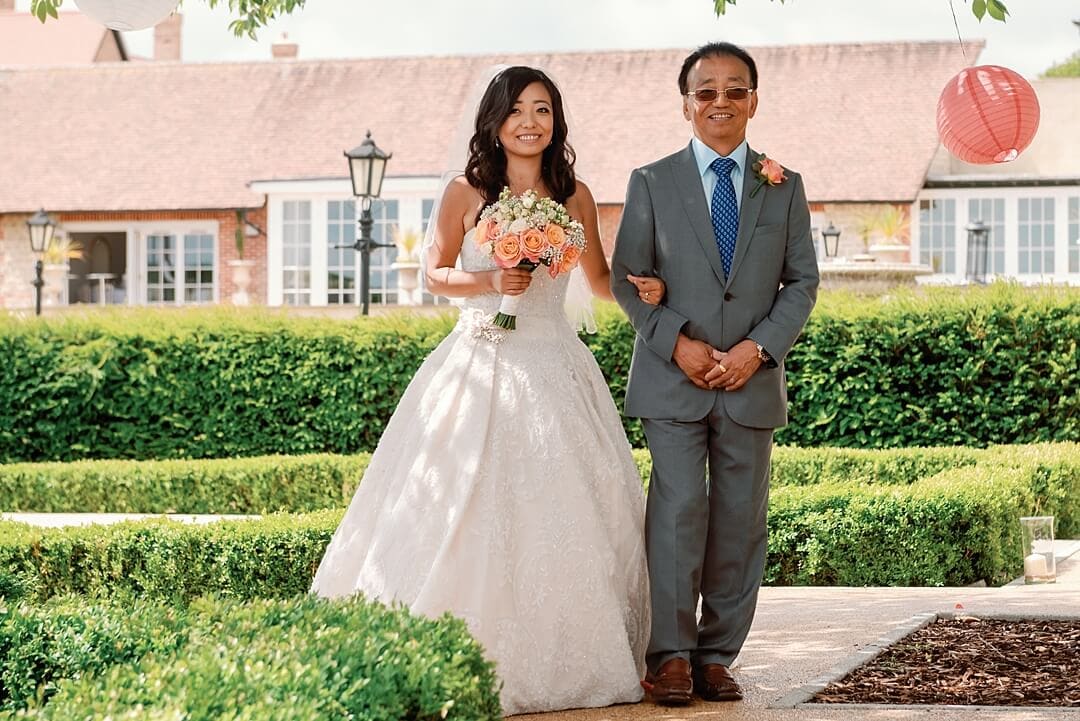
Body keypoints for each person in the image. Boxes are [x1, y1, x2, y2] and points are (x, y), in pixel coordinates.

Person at [311, 65, 664, 716]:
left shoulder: (575, 193)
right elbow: (435, 274)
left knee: (581, 505)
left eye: (544, 110)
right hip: (480, 360)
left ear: (556, 122)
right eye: (517, 110)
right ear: (494, 120)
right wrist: (491, 282)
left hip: (557, 360)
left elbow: (599, 274)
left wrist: (641, 286)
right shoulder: (465, 190)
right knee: (465, 505)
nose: (530, 122)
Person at [610, 42, 820, 706]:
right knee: (678, 509)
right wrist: (678, 344)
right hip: (673, 382)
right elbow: (626, 277)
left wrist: (757, 349)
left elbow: (802, 282)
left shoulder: (784, 186)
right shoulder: (650, 181)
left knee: (740, 517)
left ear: (754, 101)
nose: (720, 102)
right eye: (707, 91)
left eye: (735, 90)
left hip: (751, 382)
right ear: (686, 104)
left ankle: (717, 653)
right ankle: (670, 653)